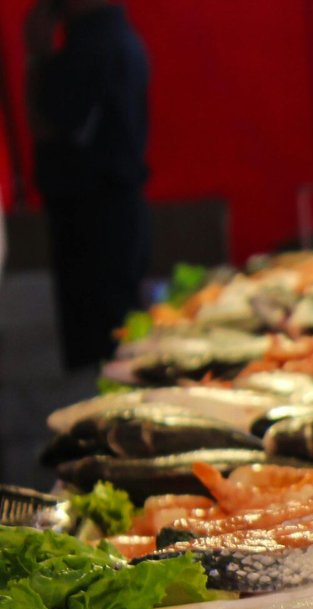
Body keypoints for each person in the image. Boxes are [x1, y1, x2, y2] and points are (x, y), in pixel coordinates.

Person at [25, 0, 150, 371]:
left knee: (105, 352)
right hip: (109, 214)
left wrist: (36, 57)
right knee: (115, 342)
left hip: (94, 222)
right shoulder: (116, 37)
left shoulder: (93, 46)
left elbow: (46, 125)